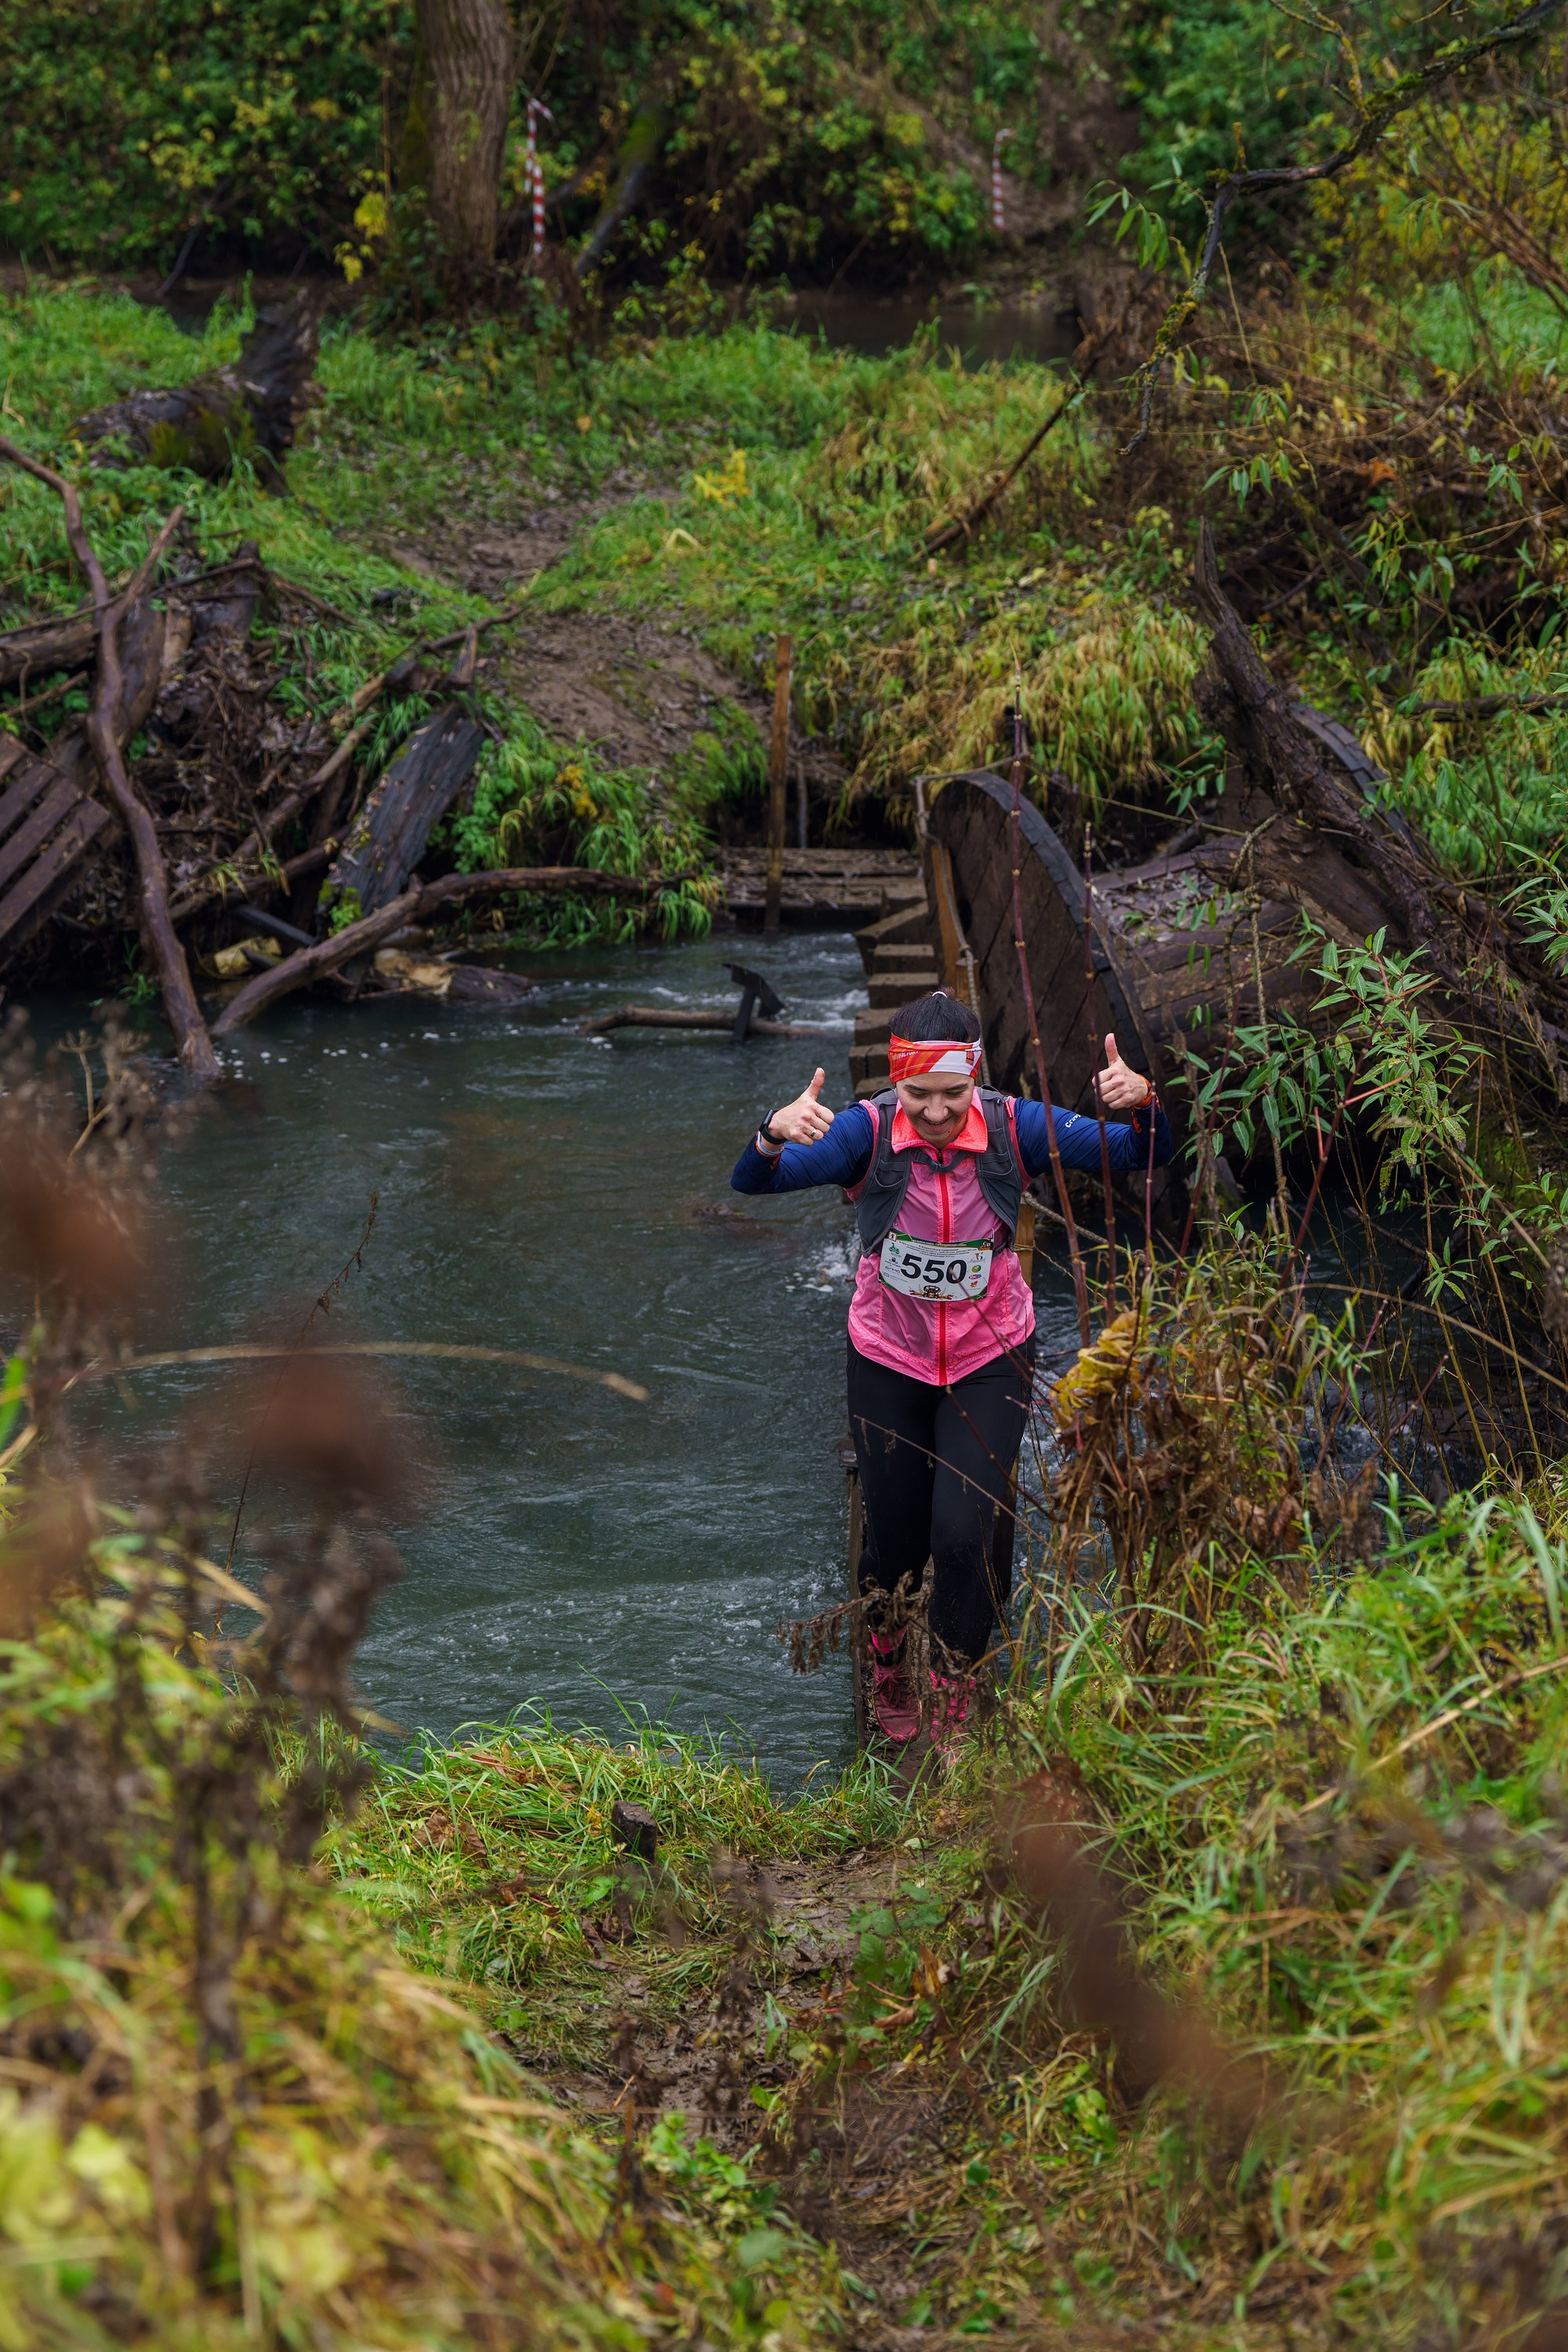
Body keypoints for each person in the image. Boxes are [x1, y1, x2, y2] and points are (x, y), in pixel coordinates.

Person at [731, 990, 1172, 1747]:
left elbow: (1143, 1155)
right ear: (895, 1086)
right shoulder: (863, 1134)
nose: (936, 1112)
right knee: (895, 1543)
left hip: (990, 1355)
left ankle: (955, 1682)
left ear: (977, 1080)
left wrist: (1145, 1104)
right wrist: (772, 1134)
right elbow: (753, 1182)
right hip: (888, 1356)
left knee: (963, 1535)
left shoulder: (1013, 1126)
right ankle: (889, 1656)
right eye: (918, 1095)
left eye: (953, 1094)